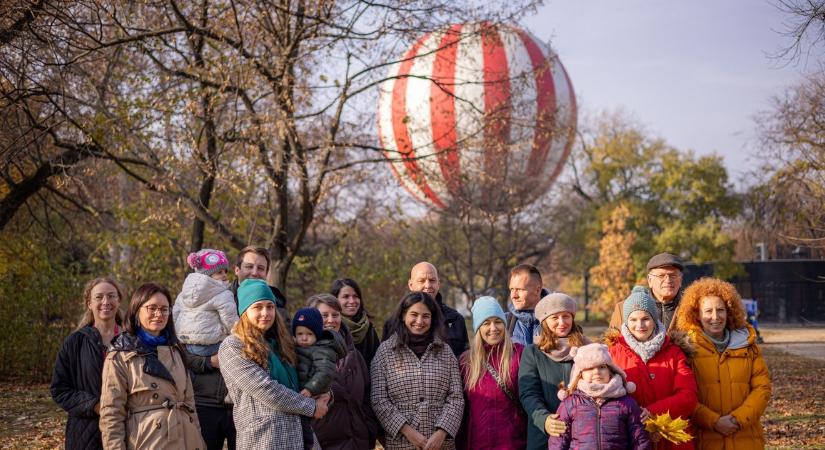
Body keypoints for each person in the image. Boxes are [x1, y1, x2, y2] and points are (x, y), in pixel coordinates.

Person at [218, 279, 329, 450]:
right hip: (264, 440)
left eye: (270, 306)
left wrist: (324, 392)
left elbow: (310, 372)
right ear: (244, 311)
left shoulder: (284, 343)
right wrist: (311, 407)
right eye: (258, 307)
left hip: (300, 436)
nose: (266, 312)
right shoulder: (232, 346)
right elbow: (266, 389)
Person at [99, 282, 205, 450]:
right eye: (152, 308)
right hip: (148, 441)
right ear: (136, 310)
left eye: (164, 309)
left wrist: (198, 439)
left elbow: (190, 404)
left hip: (186, 439)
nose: (158, 314)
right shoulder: (120, 355)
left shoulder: (176, 351)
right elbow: (111, 414)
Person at [675, 278, 771, 449]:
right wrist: (714, 422)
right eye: (708, 311)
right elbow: (684, 396)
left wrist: (738, 419)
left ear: (729, 312)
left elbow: (762, 388)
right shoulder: (685, 349)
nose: (715, 317)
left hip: (746, 438)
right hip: (705, 440)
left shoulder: (749, 346)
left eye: (720, 310)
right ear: (696, 314)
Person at [605, 286, 698, 450]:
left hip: (671, 440)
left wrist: (653, 411)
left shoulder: (674, 352)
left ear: (654, 320)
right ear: (626, 321)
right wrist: (638, 418)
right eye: (633, 320)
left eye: (645, 319)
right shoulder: (613, 353)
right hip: (631, 438)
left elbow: (688, 397)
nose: (640, 325)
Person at [372, 292, 464, 450]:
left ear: (433, 318)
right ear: (403, 315)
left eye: (426, 316)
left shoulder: (445, 351)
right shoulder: (385, 352)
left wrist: (441, 433)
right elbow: (379, 400)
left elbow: (456, 398)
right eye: (414, 314)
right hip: (401, 443)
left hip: (441, 444)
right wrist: (409, 432)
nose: (419, 321)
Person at [51, 277, 125, 450]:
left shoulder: (132, 340)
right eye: (99, 297)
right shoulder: (75, 342)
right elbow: (59, 389)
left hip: (127, 428)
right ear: (89, 303)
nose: (106, 302)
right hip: (86, 434)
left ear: (119, 300)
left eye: (111, 296)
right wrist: (95, 406)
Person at [307, 294, 379, 450]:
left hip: (358, 442)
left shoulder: (354, 355)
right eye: (324, 315)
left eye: (335, 315)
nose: (331, 320)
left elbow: (367, 398)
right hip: (321, 443)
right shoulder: (302, 357)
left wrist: (370, 430)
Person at [518, 293, 590, 450]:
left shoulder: (588, 349)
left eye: (566, 316)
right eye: (554, 318)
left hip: (583, 435)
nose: (562, 322)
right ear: (544, 322)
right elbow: (528, 393)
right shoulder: (532, 353)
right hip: (544, 437)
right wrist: (544, 420)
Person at [550, 343, 652, 450]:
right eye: (590, 368)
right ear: (580, 374)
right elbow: (558, 440)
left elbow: (639, 440)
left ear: (610, 371)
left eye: (602, 367)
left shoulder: (627, 403)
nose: (597, 372)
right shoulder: (570, 403)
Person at [458, 296, 527, 450]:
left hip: (514, 443)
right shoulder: (466, 362)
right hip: (477, 443)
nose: (493, 328)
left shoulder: (520, 354)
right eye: (486, 323)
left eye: (498, 321)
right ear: (478, 328)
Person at [382, 262, 469, 357]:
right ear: (411, 285)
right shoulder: (393, 323)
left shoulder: (455, 319)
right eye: (421, 281)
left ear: (438, 284)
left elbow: (464, 362)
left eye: (432, 280)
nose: (427, 285)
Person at [292, 307, 347, 450]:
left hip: (311, 394)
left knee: (306, 435)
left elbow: (325, 373)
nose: (304, 338)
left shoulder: (323, 350)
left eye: (309, 334)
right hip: (300, 397)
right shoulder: (297, 348)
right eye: (300, 334)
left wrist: (310, 389)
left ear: (317, 334)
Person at [609, 252, 685, 332]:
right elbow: (611, 342)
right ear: (650, 280)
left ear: (680, 280)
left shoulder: (693, 309)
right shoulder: (623, 309)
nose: (668, 280)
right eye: (661, 276)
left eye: (673, 275)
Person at [331, 278, 381, 368]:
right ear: (335, 299)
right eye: (346, 297)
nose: (352, 301)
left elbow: (377, 364)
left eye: (356, 296)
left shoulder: (368, 329)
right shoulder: (330, 328)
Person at [230, 246, 289, 321]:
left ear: (266, 273)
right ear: (237, 270)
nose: (254, 273)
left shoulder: (278, 303)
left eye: (260, 268)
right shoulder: (221, 299)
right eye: (249, 266)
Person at [505, 264, 551, 345]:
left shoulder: (558, 321)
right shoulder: (503, 323)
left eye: (520, 289)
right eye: (512, 289)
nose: (514, 296)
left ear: (537, 290)